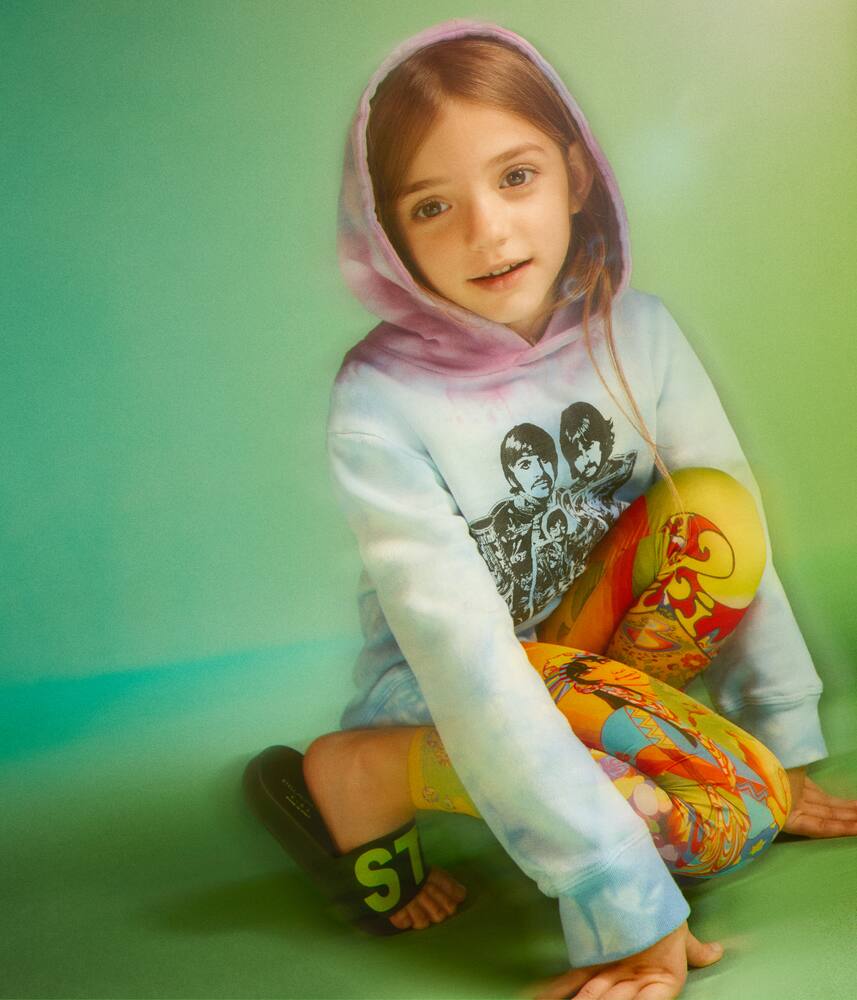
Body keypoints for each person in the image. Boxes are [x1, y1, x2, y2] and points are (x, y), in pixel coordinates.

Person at [244, 20, 857, 1000]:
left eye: (515, 177)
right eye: (432, 205)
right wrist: (620, 903)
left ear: (575, 174)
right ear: (389, 236)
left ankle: (641, 758)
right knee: (706, 831)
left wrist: (775, 745)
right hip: (447, 682)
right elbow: (465, 657)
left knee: (714, 513)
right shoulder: (379, 399)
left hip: (590, 658)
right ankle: (370, 771)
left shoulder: (639, 332)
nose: (486, 231)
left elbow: (729, 537)